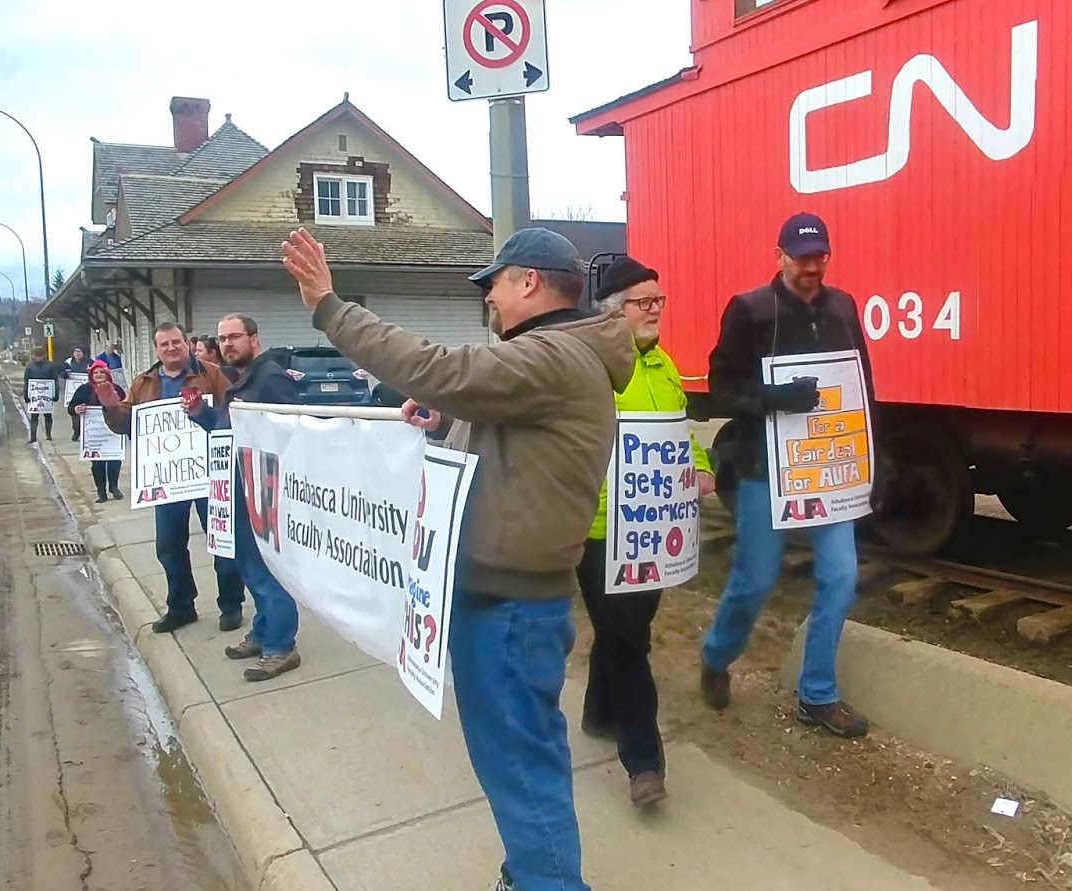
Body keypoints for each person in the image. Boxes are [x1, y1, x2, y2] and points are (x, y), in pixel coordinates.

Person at [282, 227, 635, 891]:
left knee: (520, 765)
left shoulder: (555, 356)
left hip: (508, 608)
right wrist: (446, 420)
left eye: (494, 285)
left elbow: (441, 367)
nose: (489, 302)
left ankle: (549, 881)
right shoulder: (553, 358)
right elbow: (502, 433)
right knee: (524, 757)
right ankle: (531, 869)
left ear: (528, 280)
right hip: (506, 601)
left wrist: (330, 306)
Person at [701, 212, 877, 739]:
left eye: (820, 256)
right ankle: (715, 656)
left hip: (829, 472)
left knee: (842, 577)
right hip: (765, 470)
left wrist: (874, 463)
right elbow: (720, 391)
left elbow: (862, 386)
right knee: (754, 581)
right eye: (802, 257)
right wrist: (771, 398)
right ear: (778, 256)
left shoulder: (843, 307)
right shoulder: (750, 310)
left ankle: (817, 692)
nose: (812, 266)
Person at [576, 257, 716, 810]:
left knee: (626, 629)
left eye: (660, 300)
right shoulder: (588, 368)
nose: (657, 310)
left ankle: (597, 712)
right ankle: (644, 763)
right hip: (600, 529)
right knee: (630, 640)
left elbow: (678, 431)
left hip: (657, 527)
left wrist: (701, 462)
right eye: (644, 302)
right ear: (614, 313)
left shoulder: (664, 367)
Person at [99, 322, 247, 634]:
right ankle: (181, 607)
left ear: (186, 343)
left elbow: (231, 412)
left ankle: (231, 605)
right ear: (157, 349)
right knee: (169, 546)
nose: (171, 348)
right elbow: (125, 424)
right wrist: (111, 405)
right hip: (167, 480)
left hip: (211, 476)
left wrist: (206, 415)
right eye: (164, 344)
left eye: (176, 342)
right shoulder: (144, 383)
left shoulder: (211, 374)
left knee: (222, 542)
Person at [186, 314, 306, 681]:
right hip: (237, 494)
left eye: (234, 337)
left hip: (261, 497)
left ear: (255, 339)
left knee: (268, 572)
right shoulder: (240, 382)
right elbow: (228, 430)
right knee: (250, 570)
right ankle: (263, 631)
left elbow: (292, 434)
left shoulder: (270, 379)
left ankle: (281, 647)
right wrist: (201, 414)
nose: (227, 344)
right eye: (222, 339)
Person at [67, 360, 125, 503]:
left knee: (114, 461)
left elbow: (126, 405)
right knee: (97, 464)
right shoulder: (84, 389)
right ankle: (101, 491)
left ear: (107, 373)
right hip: (94, 434)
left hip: (112, 431)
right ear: (91, 375)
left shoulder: (116, 389)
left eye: (101, 372)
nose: (98, 375)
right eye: (95, 372)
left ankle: (114, 487)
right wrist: (76, 409)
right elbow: (71, 407)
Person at [22, 347, 63, 443]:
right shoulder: (29, 366)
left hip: (47, 394)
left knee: (48, 415)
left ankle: (48, 434)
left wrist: (56, 393)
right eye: (37, 356)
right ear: (33, 356)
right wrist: (26, 394)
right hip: (34, 395)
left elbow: (55, 380)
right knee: (34, 416)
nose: (39, 358)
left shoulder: (50, 365)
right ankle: (33, 437)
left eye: (40, 356)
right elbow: (26, 381)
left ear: (44, 355)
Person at [62, 347, 92, 441]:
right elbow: (61, 373)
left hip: (85, 390)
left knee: (86, 410)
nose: (77, 353)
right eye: (75, 351)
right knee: (74, 412)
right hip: (72, 390)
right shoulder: (69, 362)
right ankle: (76, 430)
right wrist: (65, 374)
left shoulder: (89, 362)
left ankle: (86, 431)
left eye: (79, 351)